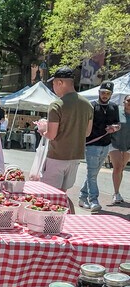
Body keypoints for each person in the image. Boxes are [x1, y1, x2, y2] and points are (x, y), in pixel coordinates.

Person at [41, 67, 93, 196]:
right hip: (75, 157)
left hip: (57, 156)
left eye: (53, 84)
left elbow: (51, 135)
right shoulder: (88, 105)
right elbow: (87, 133)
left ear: (60, 82)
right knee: (62, 194)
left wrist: (42, 130)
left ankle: (51, 217)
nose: (53, 87)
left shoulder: (56, 105)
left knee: (49, 196)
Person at [78, 81, 120, 212]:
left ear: (111, 94)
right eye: (103, 92)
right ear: (99, 92)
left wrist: (115, 128)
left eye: (108, 93)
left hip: (106, 144)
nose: (105, 95)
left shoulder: (114, 107)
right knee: (92, 173)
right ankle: (93, 200)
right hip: (91, 144)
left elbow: (118, 124)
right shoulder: (92, 106)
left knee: (93, 173)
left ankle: (82, 197)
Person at [110, 94, 130, 204]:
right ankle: (116, 193)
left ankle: (117, 192)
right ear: (124, 102)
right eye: (128, 100)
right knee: (117, 167)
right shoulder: (117, 112)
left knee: (121, 167)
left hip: (128, 145)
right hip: (114, 144)